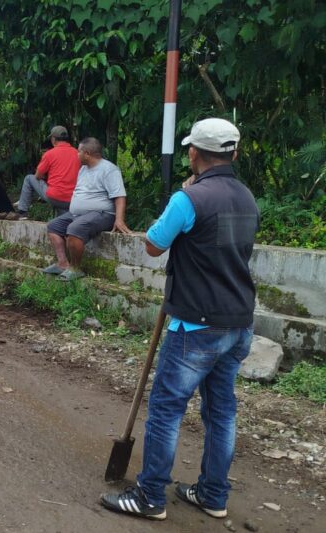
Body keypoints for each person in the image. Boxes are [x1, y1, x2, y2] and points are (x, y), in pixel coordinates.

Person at [101, 119, 259, 522]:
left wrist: (182, 200)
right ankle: (212, 493)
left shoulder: (188, 199)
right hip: (238, 322)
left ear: (193, 153)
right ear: (234, 153)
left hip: (195, 325)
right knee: (222, 412)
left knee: (167, 410)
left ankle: (150, 496)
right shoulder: (246, 198)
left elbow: (154, 245)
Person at [42, 137, 130, 280]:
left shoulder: (109, 169)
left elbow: (119, 196)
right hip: (78, 214)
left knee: (74, 229)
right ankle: (63, 264)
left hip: (102, 214)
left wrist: (119, 219)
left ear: (87, 153)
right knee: (53, 226)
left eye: (79, 151)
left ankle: (75, 268)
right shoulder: (83, 169)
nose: (77, 154)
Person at [15, 125, 80, 220]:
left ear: (53, 139)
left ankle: (22, 212)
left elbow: (37, 176)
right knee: (62, 217)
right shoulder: (77, 153)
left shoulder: (49, 154)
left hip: (55, 197)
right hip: (73, 199)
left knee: (29, 178)